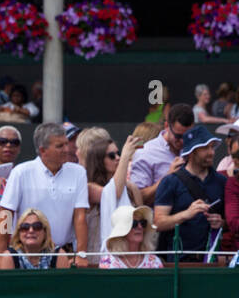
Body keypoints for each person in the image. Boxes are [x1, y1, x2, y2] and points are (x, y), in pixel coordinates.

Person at [0, 121, 90, 264]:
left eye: (66, 144)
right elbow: (5, 215)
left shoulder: (79, 172)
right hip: (26, 253)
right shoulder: (20, 173)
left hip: (64, 254)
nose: (67, 149)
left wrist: (82, 254)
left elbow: (80, 216)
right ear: (42, 150)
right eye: (60, 146)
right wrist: (1, 254)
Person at [154, 125, 228, 261]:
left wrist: (221, 222)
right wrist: (186, 214)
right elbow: (158, 223)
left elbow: (230, 223)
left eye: (212, 147)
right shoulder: (170, 182)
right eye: (205, 148)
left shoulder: (222, 181)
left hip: (212, 261)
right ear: (191, 153)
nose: (211, 152)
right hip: (179, 262)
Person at [81, 130, 144, 264]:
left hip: (129, 258)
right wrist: (126, 155)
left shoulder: (132, 189)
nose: (118, 158)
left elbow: (141, 221)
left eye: (119, 153)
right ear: (99, 160)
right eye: (111, 155)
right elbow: (113, 194)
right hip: (98, 258)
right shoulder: (89, 188)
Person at [129, 102, 195, 205]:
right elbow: (138, 198)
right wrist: (168, 177)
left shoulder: (195, 148)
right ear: (166, 126)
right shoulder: (145, 152)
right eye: (178, 136)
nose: (182, 141)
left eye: (187, 136)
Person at [99, 205, 163, 269]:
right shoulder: (107, 263)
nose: (140, 227)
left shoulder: (154, 262)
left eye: (143, 223)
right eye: (134, 223)